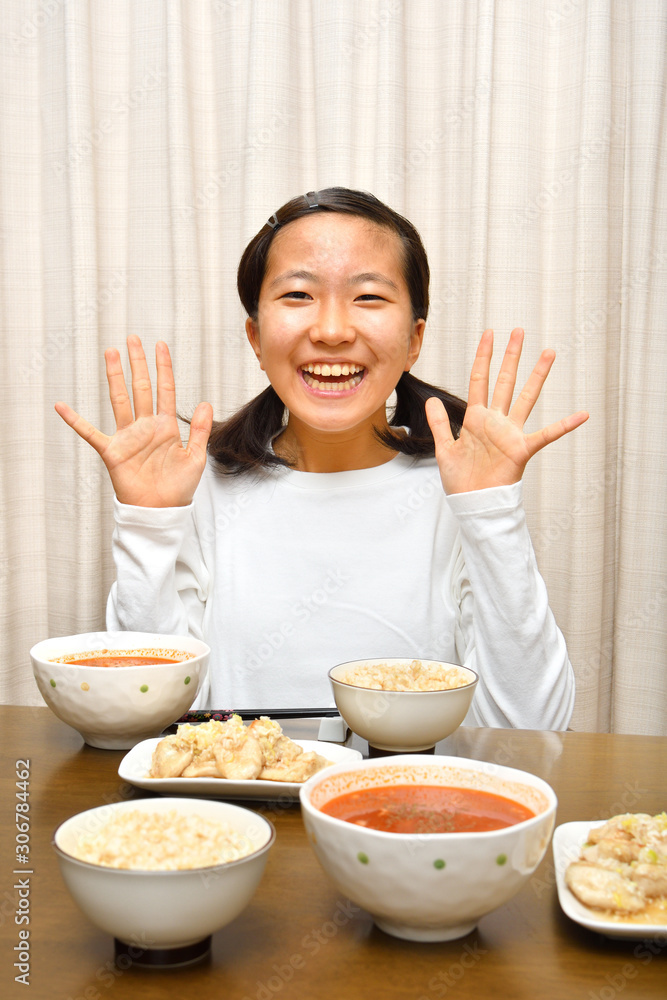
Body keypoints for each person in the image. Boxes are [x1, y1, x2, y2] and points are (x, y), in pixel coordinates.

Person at [55, 187, 588, 728]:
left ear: (414, 340)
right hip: (242, 785)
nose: (332, 331)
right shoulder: (199, 484)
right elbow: (151, 719)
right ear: (256, 337)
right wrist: (148, 523)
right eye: (298, 295)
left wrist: (491, 512)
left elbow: (530, 729)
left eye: (369, 297)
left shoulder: (460, 490)